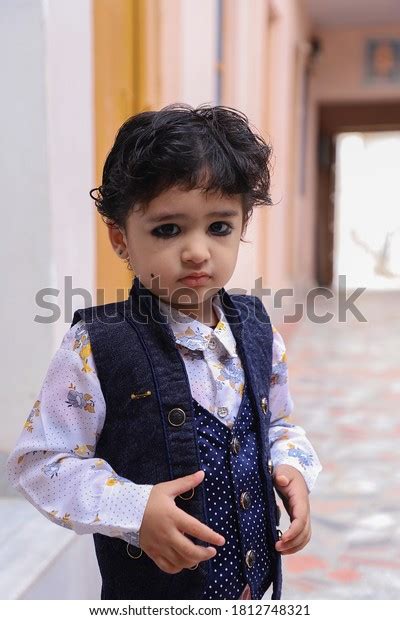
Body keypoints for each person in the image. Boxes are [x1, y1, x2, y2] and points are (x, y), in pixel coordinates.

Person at [7, 103, 322, 601]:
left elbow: (280, 424)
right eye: (168, 229)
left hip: (254, 592)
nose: (197, 251)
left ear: (241, 226)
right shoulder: (96, 345)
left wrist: (294, 470)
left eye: (218, 227)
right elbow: (41, 462)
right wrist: (135, 507)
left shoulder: (259, 330)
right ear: (121, 239)